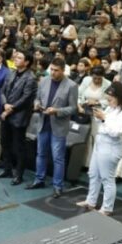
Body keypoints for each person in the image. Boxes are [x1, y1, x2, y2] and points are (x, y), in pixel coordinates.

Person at [77, 82, 122, 215]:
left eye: (110, 99)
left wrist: (104, 118)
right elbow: (102, 124)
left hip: (111, 146)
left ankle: (107, 208)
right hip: (101, 143)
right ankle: (91, 201)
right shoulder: (112, 108)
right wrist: (99, 116)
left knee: (107, 178)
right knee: (93, 174)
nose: (109, 102)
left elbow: (116, 132)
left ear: (119, 97)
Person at [28, 58, 78, 197]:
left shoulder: (71, 85)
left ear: (63, 70)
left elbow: (73, 108)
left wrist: (57, 111)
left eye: (56, 70)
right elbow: (37, 98)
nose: (53, 73)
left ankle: (57, 186)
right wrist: (36, 104)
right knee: (41, 154)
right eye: (51, 69)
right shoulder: (44, 81)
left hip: (58, 126)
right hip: (43, 123)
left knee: (58, 158)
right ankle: (39, 180)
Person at [0, 51, 37, 185]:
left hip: (19, 116)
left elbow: (26, 98)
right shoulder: (11, 73)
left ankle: (19, 174)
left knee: (19, 147)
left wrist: (11, 108)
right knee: (5, 142)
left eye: (20, 57)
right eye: (16, 57)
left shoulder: (31, 78)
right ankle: (7, 169)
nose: (15, 59)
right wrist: (5, 104)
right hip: (6, 112)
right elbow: (2, 91)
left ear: (27, 62)